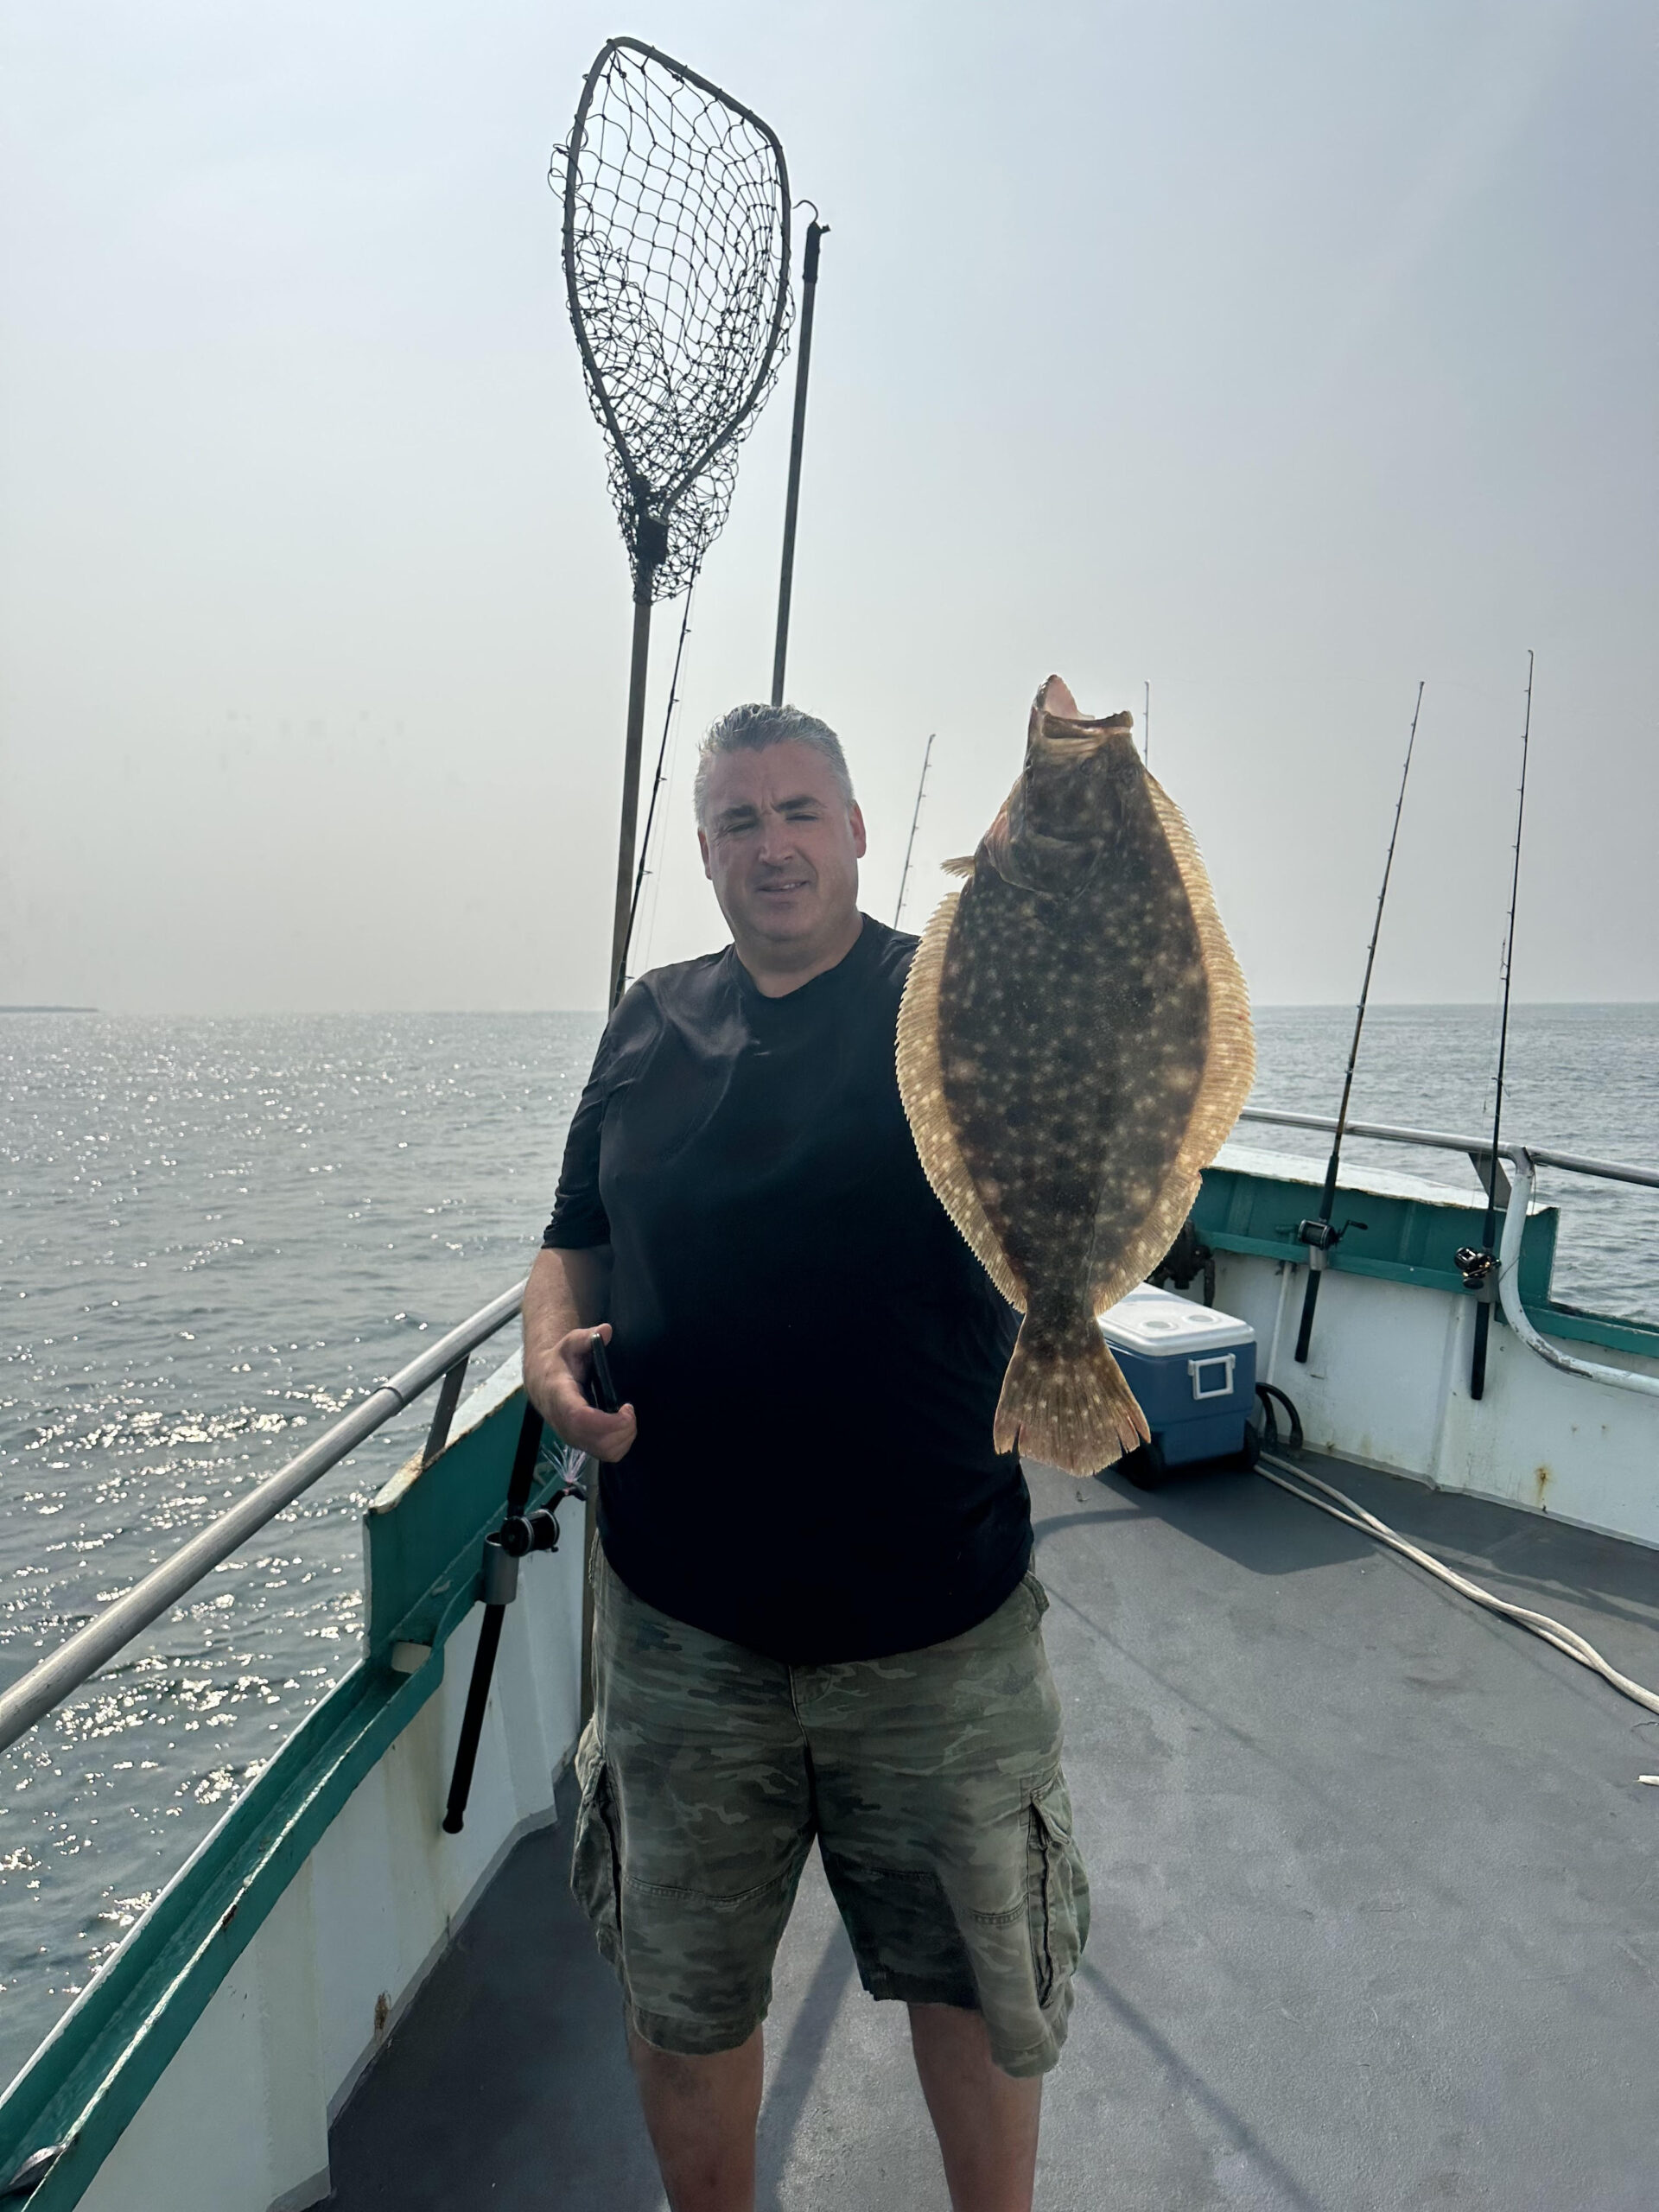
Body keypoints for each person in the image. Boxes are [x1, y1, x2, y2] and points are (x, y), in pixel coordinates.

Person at [524, 702, 1089, 2212]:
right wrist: (544, 1353)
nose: (771, 844)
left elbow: (1086, 1092)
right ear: (704, 851)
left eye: (798, 811)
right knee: (685, 1997)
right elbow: (571, 1240)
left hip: (936, 1625)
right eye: (737, 821)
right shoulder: (646, 1020)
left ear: (855, 828)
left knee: (972, 1987)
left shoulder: (956, 1003)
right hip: (682, 1626)